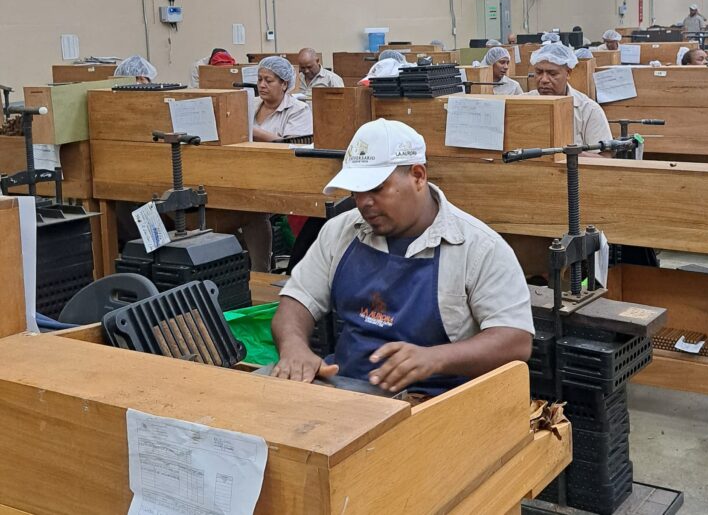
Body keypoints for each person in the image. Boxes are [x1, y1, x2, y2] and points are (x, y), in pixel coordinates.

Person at [270, 118, 534, 393]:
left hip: (440, 402)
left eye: (376, 189)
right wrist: (294, 347)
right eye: (356, 192)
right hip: (349, 389)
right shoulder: (341, 231)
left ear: (418, 176)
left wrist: (435, 358)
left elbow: (515, 340)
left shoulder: (479, 248)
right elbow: (296, 302)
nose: (363, 203)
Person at [525, 42, 612, 145]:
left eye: (552, 74)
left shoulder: (588, 110)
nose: (544, 80)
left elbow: (604, 157)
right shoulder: (521, 103)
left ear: (568, 73)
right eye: (539, 73)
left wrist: (567, 153)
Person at [252, 56, 313, 141]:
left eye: (268, 81)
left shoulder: (299, 110)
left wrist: (253, 132)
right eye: (259, 79)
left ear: (284, 84)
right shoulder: (250, 104)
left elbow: (293, 146)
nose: (262, 85)